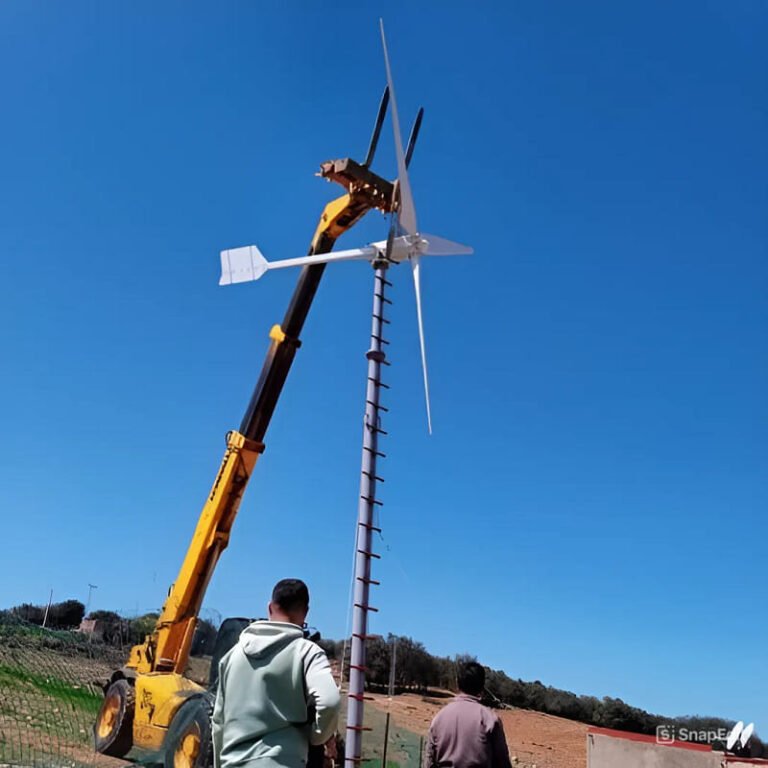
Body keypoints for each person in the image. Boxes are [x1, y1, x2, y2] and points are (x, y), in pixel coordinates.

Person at [212, 579, 341, 768]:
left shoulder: (231, 657)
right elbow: (330, 702)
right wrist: (317, 737)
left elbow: (218, 723)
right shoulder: (306, 652)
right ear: (305, 612)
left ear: (270, 607)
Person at [425, 661, 512, 768]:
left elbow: (429, 763)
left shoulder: (438, 719)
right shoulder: (490, 720)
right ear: (482, 686)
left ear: (457, 682)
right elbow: (503, 763)